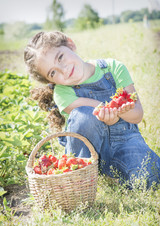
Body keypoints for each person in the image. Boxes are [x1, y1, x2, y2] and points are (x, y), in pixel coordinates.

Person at [24, 31, 160, 189]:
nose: (64, 70)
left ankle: (113, 172)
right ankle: (82, 177)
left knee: (151, 176)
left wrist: (122, 110)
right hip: (87, 150)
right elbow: (95, 110)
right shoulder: (62, 93)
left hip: (125, 142)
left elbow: (137, 115)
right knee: (85, 115)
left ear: (70, 44)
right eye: (53, 73)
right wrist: (111, 112)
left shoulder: (114, 68)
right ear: (50, 80)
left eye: (60, 57)